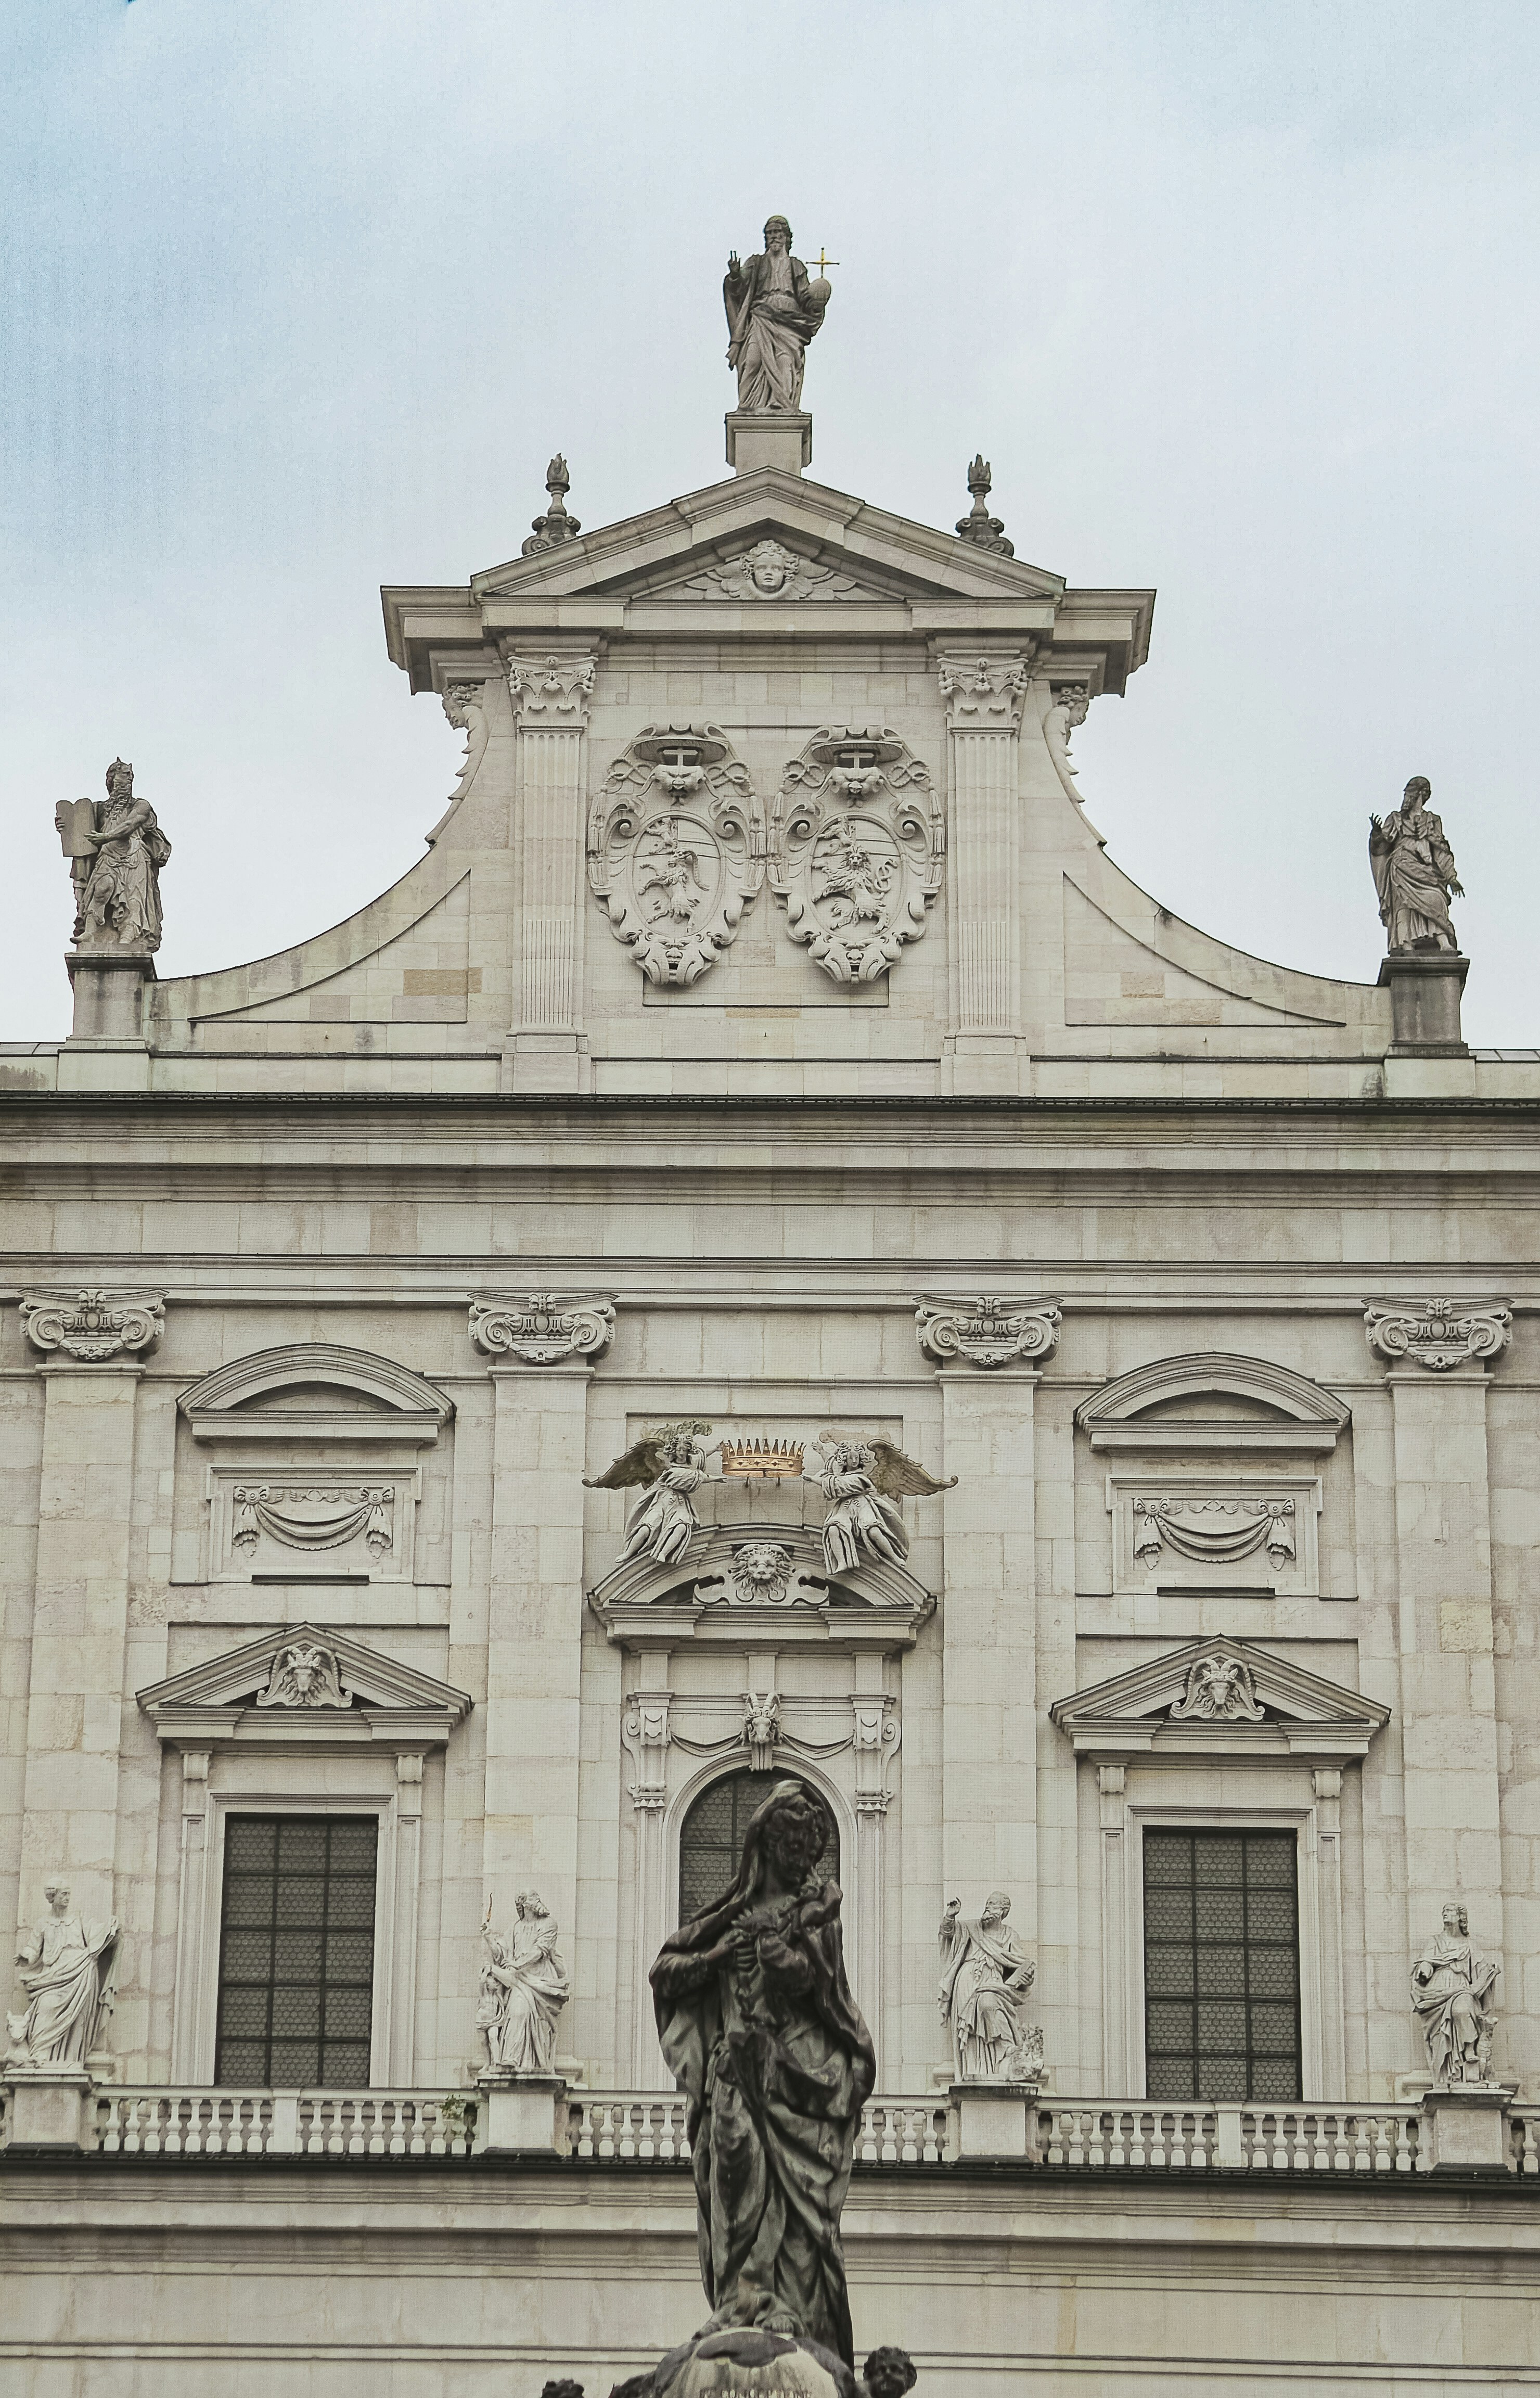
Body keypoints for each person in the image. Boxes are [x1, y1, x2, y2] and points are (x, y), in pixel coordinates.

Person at [650, 1779, 875, 2370]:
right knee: (733, 2175)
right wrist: (716, 1959)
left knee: (796, 2202)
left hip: (794, 2077)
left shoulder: (818, 1919)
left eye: (807, 1849)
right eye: (790, 1845)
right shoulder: (729, 1915)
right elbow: (666, 1972)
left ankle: (784, 2305)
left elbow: (822, 1990)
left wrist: (780, 1956)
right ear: (766, 1844)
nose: (799, 1858)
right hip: (734, 2068)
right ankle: (738, 2299)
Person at [7, 1878, 119, 2068]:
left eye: (68, 1894)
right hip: (53, 1976)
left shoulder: (78, 1919)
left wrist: (111, 1928)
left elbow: (95, 1935)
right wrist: (26, 1957)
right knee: (46, 2005)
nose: (68, 1898)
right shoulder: (44, 1923)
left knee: (79, 2015)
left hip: (81, 1971)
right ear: (53, 1897)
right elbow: (34, 1948)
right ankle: (41, 2054)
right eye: (64, 1894)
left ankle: (72, 2060)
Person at [723, 218, 828, 413]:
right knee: (752, 360)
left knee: (785, 362)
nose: (774, 237)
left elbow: (805, 298)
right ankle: (748, 405)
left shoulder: (796, 266)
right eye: (770, 233)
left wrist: (818, 300)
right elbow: (739, 288)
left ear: (787, 237)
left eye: (778, 233)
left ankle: (782, 405)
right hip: (761, 316)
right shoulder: (756, 263)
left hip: (789, 321)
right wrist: (735, 276)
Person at [74, 759, 172, 952]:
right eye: (125, 774)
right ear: (112, 779)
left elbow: (130, 825)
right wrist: (67, 827)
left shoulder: (141, 805)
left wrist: (106, 837)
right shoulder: (99, 809)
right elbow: (81, 831)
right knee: (101, 889)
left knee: (134, 900)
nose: (129, 779)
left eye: (130, 776)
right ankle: (90, 931)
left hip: (135, 856)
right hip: (108, 855)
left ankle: (128, 938)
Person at [937, 1893, 1037, 2080]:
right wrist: (950, 1916)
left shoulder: (1010, 1935)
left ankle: (1005, 2055)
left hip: (993, 1981)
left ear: (1003, 1911)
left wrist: (1027, 1978)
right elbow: (948, 1933)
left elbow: (1020, 1964)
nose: (988, 1907)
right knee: (970, 2028)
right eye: (988, 1903)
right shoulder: (971, 1927)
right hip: (966, 1982)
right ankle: (974, 2070)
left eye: (993, 1904)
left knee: (988, 2004)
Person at [1368, 777, 1463, 953]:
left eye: (1410, 793)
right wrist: (1376, 834)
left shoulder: (1432, 820)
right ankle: (1406, 945)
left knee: (1436, 898)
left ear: (1422, 794)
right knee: (1404, 906)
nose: (1407, 797)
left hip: (1426, 870)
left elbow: (1440, 850)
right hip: (1401, 867)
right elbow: (1381, 847)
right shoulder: (1396, 819)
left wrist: (1451, 877)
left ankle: (1444, 942)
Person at [1410, 1901, 1498, 2084]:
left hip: (1462, 1988)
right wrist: (1424, 1968)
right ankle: (1448, 2069)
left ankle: (1469, 2052)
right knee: (1441, 2035)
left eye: (1450, 1911)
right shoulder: (1435, 1941)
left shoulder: (1470, 1944)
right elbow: (1426, 1961)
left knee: (1462, 2009)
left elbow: (1481, 1968)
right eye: (1444, 1911)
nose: (1445, 1914)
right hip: (1438, 1992)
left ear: (1460, 1917)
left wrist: (1490, 1972)